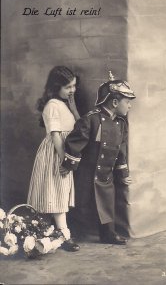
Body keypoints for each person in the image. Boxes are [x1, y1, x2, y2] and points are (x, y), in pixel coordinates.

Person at [61, 71, 136, 245]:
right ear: (115, 102)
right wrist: (69, 164)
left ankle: (108, 234)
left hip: (106, 172)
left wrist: (123, 173)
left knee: (107, 203)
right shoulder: (91, 120)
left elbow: (121, 149)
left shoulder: (121, 123)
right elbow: (74, 142)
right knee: (80, 203)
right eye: (128, 102)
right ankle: (71, 234)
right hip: (88, 171)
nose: (130, 106)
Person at [27, 66, 80, 252]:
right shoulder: (52, 106)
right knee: (55, 193)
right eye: (68, 87)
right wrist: (64, 159)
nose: (72, 90)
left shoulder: (65, 104)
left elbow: (80, 127)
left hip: (65, 153)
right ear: (56, 86)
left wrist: (73, 108)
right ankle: (64, 234)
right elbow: (56, 136)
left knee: (58, 193)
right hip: (55, 154)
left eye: (74, 86)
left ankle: (47, 233)